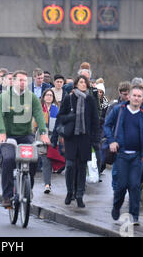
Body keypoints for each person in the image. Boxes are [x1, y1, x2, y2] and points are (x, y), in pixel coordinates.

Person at [0, 70, 51, 208]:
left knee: (33, 159)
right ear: (13, 81)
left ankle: (28, 186)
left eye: (25, 80)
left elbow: (38, 113)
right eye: (19, 80)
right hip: (8, 136)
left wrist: (43, 132)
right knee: (8, 160)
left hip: (25, 134)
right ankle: (7, 196)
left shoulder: (31, 97)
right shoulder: (4, 97)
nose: (22, 83)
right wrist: (2, 132)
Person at [104, 85, 143, 225]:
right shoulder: (119, 110)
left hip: (138, 156)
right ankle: (116, 206)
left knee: (135, 185)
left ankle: (134, 216)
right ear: (129, 96)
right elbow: (107, 125)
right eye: (134, 95)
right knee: (121, 185)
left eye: (139, 96)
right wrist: (111, 141)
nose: (136, 98)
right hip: (122, 155)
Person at [51, 75, 100, 208]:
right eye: (81, 82)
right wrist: (70, 117)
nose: (83, 84)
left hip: (85, 138)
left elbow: (95, 120)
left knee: (82, 167)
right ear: (76, 84)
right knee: (70, 165)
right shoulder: (69, 99)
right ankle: (69, 192)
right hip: (71, 138)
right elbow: (60, 117)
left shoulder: (90, 100)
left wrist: (96, 140)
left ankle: (79, 195)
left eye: (85, 82)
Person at [35, 89, 60, 194]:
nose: (49, 97)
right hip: (41, 136)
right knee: (44, 161)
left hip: (53, 137)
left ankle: (47, 184)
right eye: (47, 95)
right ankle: (46, 184)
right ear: (43, 96)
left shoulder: (56, 109)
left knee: (48, 162)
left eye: (51, 95)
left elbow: (59, 124)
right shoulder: (39, 109)